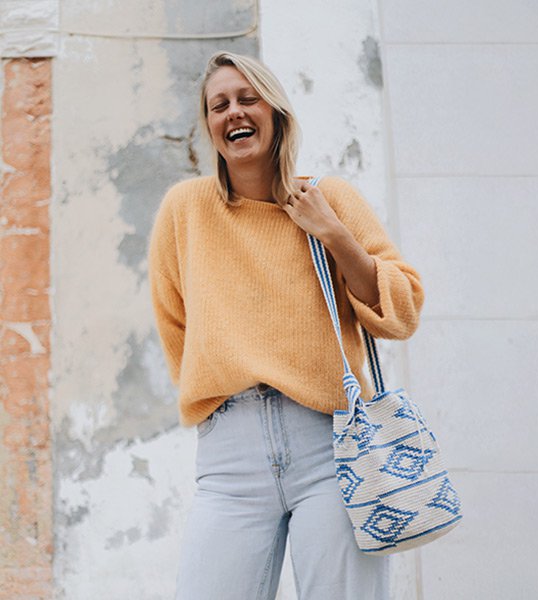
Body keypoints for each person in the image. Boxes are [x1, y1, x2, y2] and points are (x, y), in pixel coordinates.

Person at [148, 51, 425, 600]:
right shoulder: (186, 210)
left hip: (331, 443)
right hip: (230, 455)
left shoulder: (330, 198)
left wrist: (334, 234)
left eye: (247, 98)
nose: (234, 113)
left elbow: (402, 310)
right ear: (209, 125)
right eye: (219, 105)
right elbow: (173, 322)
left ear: (275, 112)